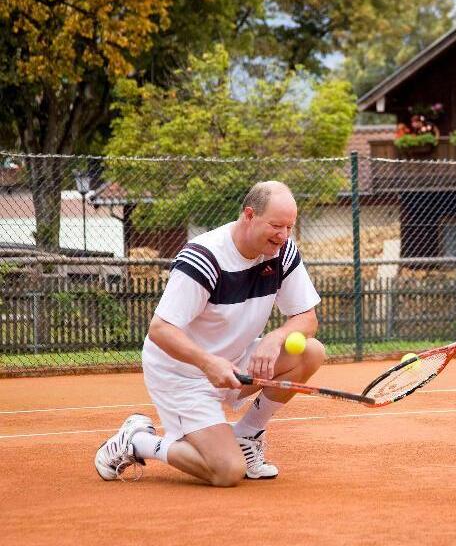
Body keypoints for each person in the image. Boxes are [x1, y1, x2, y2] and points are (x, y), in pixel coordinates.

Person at [94, 181, 326, 486]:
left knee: (311, 352)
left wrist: (275, 337)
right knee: (227, 471)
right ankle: (138, 442)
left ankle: (246, 435)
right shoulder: (204, 257)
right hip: (182, 375)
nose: (283, 235)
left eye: (289, 227)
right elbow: (161, 330)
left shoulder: (282, 252)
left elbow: (307, 318)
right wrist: (207, 364)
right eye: (275, 225)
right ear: (249, 215)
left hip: (232, 360)